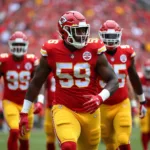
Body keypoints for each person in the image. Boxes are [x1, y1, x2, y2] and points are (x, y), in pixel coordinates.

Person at [19, 11, 119, 150]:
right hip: (64, 108)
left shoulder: (94, 49)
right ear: (64, 32)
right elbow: (36, 82)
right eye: (77, 31)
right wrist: (24, 112)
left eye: (84, 30)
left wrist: (99, 98)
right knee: (68, 146)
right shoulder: (52, 50)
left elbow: (114, 80)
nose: (82, 35)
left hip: (90, 112)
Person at [97, 20, 147, 150]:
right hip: (103, 105)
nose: (111, 40)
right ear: (101, 36)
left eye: (114, 37)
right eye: (108, 37)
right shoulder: (95, 53)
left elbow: (134, 77)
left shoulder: (127, 52)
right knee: (110, 143)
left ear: (119, 36)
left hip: (121, 103)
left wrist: (141, 100)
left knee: (124, 140)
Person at [0, 31, 43, 150]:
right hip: (10, 102)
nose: (18, 48)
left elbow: (38, 83)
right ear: (10, 45)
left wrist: (39, 100)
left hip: (27, 104)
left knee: (24, 139)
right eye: (16, 45)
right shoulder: (3, 61)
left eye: (21, 45)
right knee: (14, 130)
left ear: (26, 45)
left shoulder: (32, 60)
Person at [139, 59, 150, 150]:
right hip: (144, 107)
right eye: (147, 71)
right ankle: (145, 148)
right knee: (144, 129)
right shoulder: (141, 79)